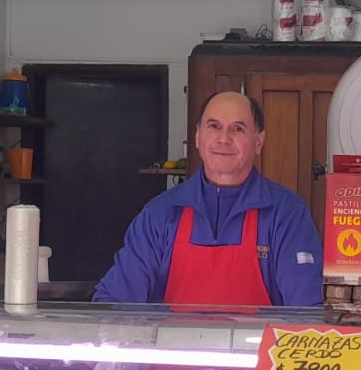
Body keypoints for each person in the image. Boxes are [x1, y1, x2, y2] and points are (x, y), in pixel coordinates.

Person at [94, 91, 324, 308]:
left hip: (255, 350)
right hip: (174, 349)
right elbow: (114, 302)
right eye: (214, 126)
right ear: (197, 136)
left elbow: (306, 310)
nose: (224, 139)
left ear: (258, 141)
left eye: (238, 129)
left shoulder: (287, 214)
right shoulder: (160, 214)